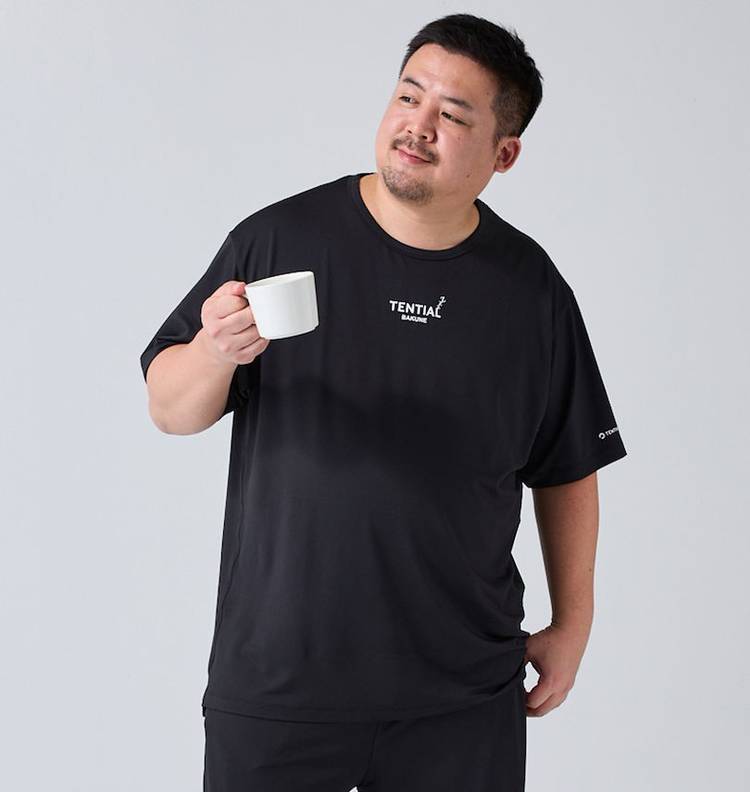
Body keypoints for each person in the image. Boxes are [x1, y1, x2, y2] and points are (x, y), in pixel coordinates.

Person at [140, 13, 627, 792]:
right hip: (280, 685)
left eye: (452, 115)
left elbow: (568, 466)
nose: (417, 125)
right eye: (408, 96)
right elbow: (170, 407)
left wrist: (574, 625)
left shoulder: (530, 290)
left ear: (504, 154)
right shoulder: (279, 240)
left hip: (462, 694)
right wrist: (213, 352)